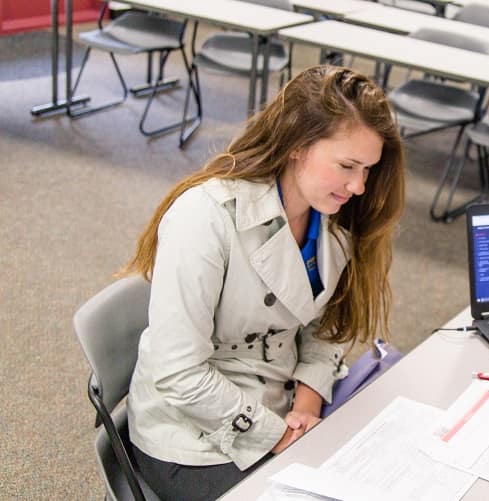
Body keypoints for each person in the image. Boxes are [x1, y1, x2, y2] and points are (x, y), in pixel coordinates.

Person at [121, 65, 405, 501]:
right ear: (297, 145)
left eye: (367, 169)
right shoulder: (205, 216)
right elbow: (178, 372)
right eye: (347, 165)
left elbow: (323, 328)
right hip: (194, 433)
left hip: (284, 404)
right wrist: (278, 435)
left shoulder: (330, 218)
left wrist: (308, 403)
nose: (360, 186)